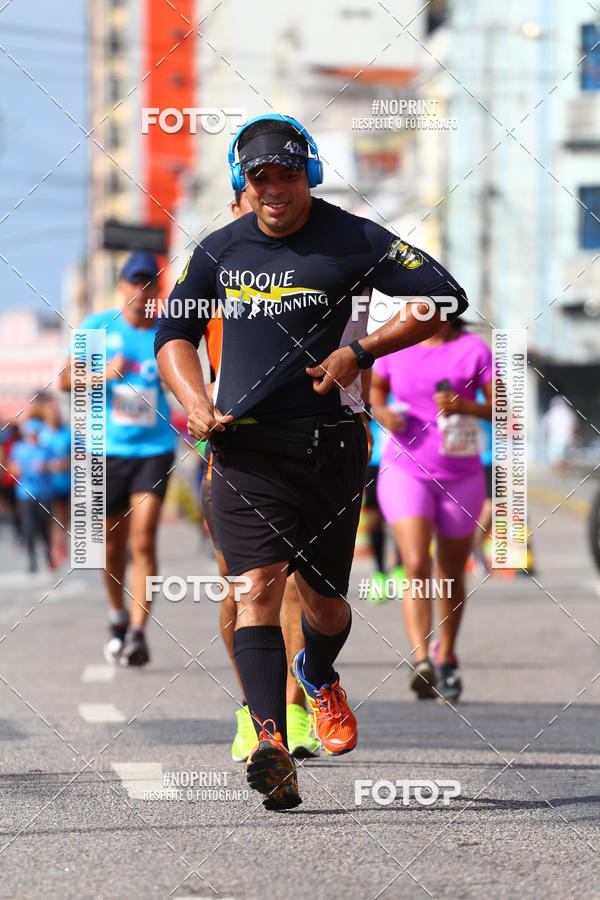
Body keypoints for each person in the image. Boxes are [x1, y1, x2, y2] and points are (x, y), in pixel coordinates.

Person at [155, 114, 468, 810]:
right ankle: (271, 741)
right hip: (243, 449)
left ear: (310, 173)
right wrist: (192, 404)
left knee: (325, 605)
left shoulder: (352, 237)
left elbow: (446, 296)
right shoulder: (218, 251)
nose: (274, 188)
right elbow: (172, 333)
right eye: (259, 176)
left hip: (331, 448)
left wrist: (363, 350)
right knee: (256, 588)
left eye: (287, 174)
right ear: (244, 182)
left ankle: (318, 674)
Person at [201, 189, 319, 762]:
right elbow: (173, 346)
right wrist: (194, 396)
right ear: (235, 209)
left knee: (296, 584)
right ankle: (254, 708)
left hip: (313, 448)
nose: (267, 205)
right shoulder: (215, 273)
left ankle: (292, 709)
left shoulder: (316, 268)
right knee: (243, 587)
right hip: (235, 450)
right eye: (253, 196)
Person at [60, 252, 176, 666]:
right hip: (103, 448)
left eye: (148, 283)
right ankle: (116, 617)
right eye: (133, 282)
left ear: (157, 290)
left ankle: (139, 634)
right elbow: (63, 380)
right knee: (110, 547)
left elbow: (182, 382)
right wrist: (101, 375)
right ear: (122, 286)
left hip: (153, 447)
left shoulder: (167, 330)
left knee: (143, 538)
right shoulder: (97, 326)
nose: (140, 291)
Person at [371, 318, 492, 703]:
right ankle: (422, 659)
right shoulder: (394, 345)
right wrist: (382, 413)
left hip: (461, 473)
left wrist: (466, 405)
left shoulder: (473, 350)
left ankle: (448, 654)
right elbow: (374, 388)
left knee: (451, 570)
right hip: (406, 469)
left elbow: (506, 411)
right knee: (415, 563)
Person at [8, 418, 53, 572]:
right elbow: (11, 468)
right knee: (28, 528)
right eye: (30, 434)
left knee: (44, 526)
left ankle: (48, 556)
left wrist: (46, 466)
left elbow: (59, 465)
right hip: (25, 494)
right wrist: (16, 469)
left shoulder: (45, 449)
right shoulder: (18, 448)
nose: (33, 436)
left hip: (44, 493)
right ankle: (32, 560)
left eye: (35, 434)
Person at [41, 399, 71, 567]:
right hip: (46, 484)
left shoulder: (66, 433)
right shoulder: (42, 435)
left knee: (63, 516)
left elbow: (78, 454)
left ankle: (61, 541)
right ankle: (52, 548)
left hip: (65, 482)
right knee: (50, 516)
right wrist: (47, 465)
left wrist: (67, 463)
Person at [542, 394, 578, 475]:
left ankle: (559, 472)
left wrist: (546, 437)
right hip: (566, 439)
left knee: (556, 458)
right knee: (562, 457)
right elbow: (575, 426)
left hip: (555, 439)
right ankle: (561, 471)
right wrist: (574, 437)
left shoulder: (551, 413)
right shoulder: (569, 413)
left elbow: (546, 427)